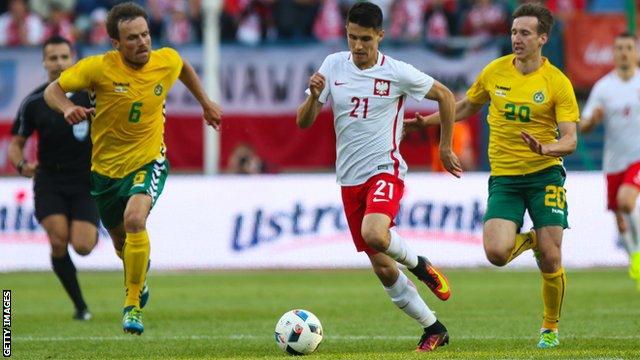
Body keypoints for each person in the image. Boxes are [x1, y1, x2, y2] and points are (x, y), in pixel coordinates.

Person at [405, 3, 579, 349]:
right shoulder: (495, 71)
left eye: (525, 33)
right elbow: (468, 104)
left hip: (545, 175)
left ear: (543, 38)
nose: (517, 38)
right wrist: (429, 120)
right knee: (496, 253)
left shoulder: (557, 82)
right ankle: (533, 240)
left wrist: (547, 149)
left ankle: (549, 327)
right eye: (514, 32)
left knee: (552, 258)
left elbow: (570, 139)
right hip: (505, 179)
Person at [43, 2, 222, 335]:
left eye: (145, 35)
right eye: (132, 38)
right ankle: (138, 277)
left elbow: (182, 65)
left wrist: (206, 102)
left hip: (148, 159)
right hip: (104, 171)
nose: (142, 43)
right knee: (122, 244)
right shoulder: (97, 68)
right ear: (115, 43)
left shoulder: (163, 59)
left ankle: (132, 306)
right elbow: (53, 90)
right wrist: (68, 107)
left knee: (135, 219)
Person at [296, 2, 460, 352]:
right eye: (352, 37)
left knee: (375, 232)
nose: (358, 46)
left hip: (385, 170)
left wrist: (445, 148)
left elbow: (445, 96)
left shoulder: (397, 72)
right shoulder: (332, 66)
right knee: (384, 269)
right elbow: (304, 121)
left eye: (366, 39)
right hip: (349, 181)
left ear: (380, 36)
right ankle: (433, 328)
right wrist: (312, 96)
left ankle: (421, 265)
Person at [8, 35, 97, 321]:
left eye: (64, 57)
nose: (59, 63)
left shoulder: (91, 94)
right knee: (58, 240)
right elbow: (16, 144)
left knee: (82, 246)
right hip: (50, 181)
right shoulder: (34, 102)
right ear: (45, 62)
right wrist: (22, 165)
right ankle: (80, 306)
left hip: (86, 180)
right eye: (53, 58)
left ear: (73, 59)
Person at [580, 33, 640, 289]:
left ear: (635, 52)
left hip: (637, 157)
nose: (624, 53)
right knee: (619, 214)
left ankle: (638, 257)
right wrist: (593, 119)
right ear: (614, 54)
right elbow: (583, 126)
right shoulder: (604, 87)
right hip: (613, 161)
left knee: (627, 202)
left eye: (628, 48)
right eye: (619, 49)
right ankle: (634, 259)